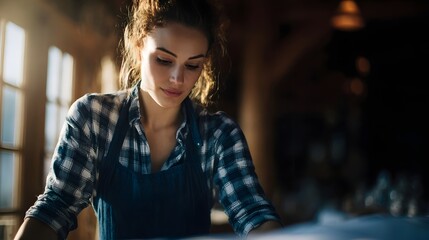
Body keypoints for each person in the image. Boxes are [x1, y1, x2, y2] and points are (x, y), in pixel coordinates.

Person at [14, 0, 282, 239]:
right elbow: (56, 207)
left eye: (192, 65)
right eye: (164, 60)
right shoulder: (93, 118)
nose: (178, 79)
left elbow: (252, 212)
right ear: (139, 46)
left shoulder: (220, 135)